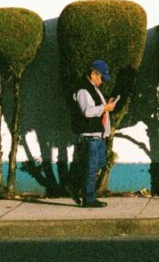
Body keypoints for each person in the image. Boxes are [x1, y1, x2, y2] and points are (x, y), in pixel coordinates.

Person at [71, 59, 117, 208]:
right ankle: (88, 199)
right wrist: (105, 108)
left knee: (99, 163)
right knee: (91, 168)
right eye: (101, 78)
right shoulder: (84, 90)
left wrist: (106, 104)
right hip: (89, 136)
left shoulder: (93, 89)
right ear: (93, 74)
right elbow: (87, 112)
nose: (102, 82)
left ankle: (77, 188)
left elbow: (96, 107)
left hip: (96, 135)